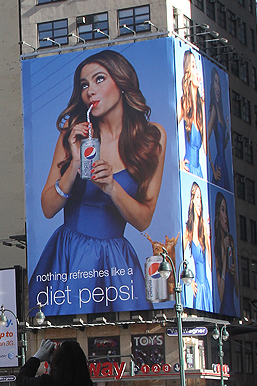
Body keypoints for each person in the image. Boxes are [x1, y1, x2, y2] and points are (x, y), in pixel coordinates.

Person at [29, 51, 166, 315]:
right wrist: (75, 165)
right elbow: (47, 208)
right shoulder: (74, 134)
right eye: (84, 85)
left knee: (130, 336)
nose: (90, 90)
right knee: (64, 332)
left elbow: (143, 219)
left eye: (99, 79)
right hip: (70, 254)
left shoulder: (152, 137)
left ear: (122, 82)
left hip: (117, 260)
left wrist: (113, 188)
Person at [183, 182, 212, 310]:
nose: (200, 202)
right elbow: (179, 256)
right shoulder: (188, 231)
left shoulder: (204, 228)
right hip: (197, 288)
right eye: (198, 197)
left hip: (205, 287)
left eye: (201, 198)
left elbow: (211, 261)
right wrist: (189, 281)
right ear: (192, 199)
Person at [178, 48, 206, 178]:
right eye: (193, 66)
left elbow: (206, 147)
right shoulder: (184, 103)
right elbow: (167, 128)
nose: (197, 72)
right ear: (188, 72)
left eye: (197, 67)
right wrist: (177, 162)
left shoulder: (201, 106)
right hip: (187, 171)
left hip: (199, 172)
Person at [213, 192, 239, 314]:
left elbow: (238, 293)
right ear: (218, 214)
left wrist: (235, 274)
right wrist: (223, 256)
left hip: (233, 312)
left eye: (226, 211)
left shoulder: (231, 242)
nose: (225, 217)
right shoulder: (216, 246)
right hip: (223, 312)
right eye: (222, 210)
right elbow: (220, 295)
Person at [207, 68, 231, 190]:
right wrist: (213, 169)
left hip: (224, 164)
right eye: (215, 82)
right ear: (212, 85)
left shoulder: (220, 110)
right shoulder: (214, 110)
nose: (218, 86)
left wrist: (228, 133)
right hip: (219, 165)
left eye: (218, 83)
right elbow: (205, 138)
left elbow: (223, 144)